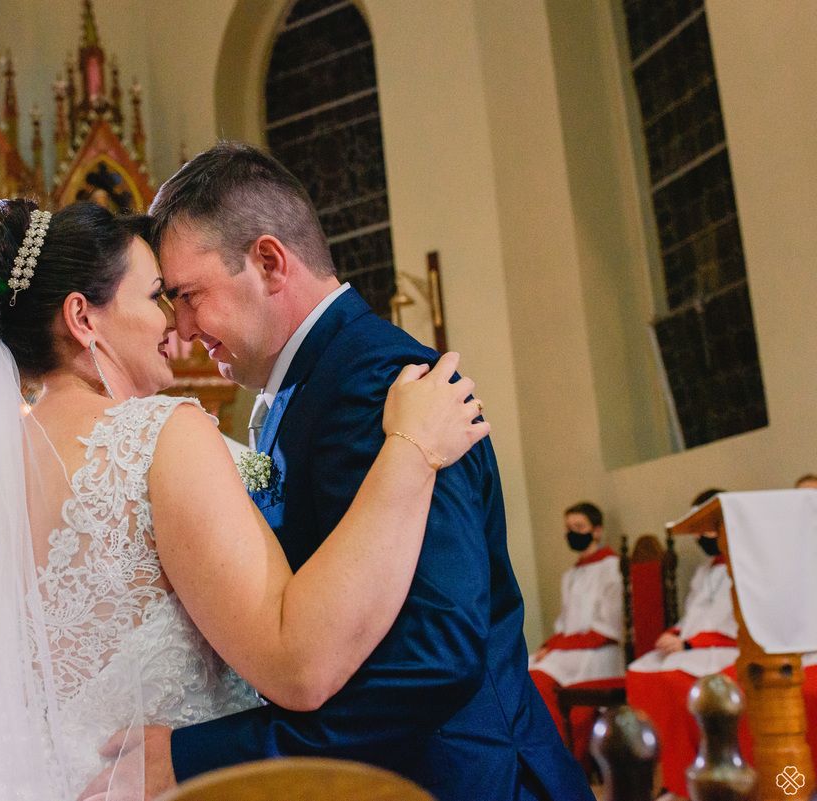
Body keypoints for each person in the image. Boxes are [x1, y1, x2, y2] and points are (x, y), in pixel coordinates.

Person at [0, 198, 489, 801]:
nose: (175, 324)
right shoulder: (161, 436)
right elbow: (299, 663)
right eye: (156, 294)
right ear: (82, 316)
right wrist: (411, 448)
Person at [126, 141, 591, 801]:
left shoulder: (379, 381)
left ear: (268, 261)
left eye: (189, 295)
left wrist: (202, 757)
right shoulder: (311, 383)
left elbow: (433, 654)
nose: (181, 326)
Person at [625, 488, 738, 799]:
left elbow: (736, 623)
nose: (701, 536)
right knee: (638, 672)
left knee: (671, 679)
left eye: (706, 528)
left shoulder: (743, 565)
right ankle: (659, 775)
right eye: (697, 530)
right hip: (693, 646)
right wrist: (674, 634)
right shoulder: (704, 571)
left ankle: (686, 776)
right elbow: (691, 616)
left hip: (722, 648)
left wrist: (690, 645)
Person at [529, 502, 624, 763]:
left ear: (596, 531)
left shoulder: (612, 568)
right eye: (569, 528)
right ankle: (538, 758)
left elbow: (609, 628)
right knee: (521, 669)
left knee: (539, 679)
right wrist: (551, 644)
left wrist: (558, 646)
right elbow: (564, 623)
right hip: (571, 650)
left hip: (599, 652)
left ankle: (567, 759)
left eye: (579, 527)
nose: (573, 533)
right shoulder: (570, 575)